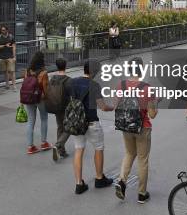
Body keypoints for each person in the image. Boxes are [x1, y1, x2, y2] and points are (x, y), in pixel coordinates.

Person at [113, 58, 158, 204]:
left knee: (129, 153)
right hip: (142, 128)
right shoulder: (147, 88)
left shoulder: (121, 85)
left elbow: (116, 105)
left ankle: (121, 181)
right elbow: (152, 114)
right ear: (141, 69)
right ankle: (141, 194)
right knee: (142, 159)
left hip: (126, 126)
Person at [71, 60, 114, 194]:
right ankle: (99, 178)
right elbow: (102, 106)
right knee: (99, 148)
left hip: (77, 122)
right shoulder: (95, 85)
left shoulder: (73, 82)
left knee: (79, 150)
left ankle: (79, 184)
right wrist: (112, 107)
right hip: (92, 123)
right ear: (94, 71)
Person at [23, 51, 51, 154]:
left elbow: (25, 83)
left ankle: (30, 146)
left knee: (31, 121)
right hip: (40, 99)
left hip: (28, 98)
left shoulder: (27, 71)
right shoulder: (44, 73)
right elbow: (45, 88)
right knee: (44, 119)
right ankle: (44, 143)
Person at [47, 58, 72, 161]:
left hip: (55, 106)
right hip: (65, 107)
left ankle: (61, 151)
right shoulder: (68, 80)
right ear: (65, 66)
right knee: (69, 127)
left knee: (60, 127)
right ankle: (58, 145)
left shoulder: (52, 78)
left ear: (57, 66)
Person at [0, 25, 16, 91]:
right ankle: (7, 84)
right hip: (2, 57)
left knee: (12, 71)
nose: (2, 31)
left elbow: (14, 47)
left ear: (7, 30)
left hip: (10, 57)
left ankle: (14, 86)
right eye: (2, 30)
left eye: (4, 30)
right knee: (5, 72)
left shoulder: (11, 37)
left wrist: (14, 56)